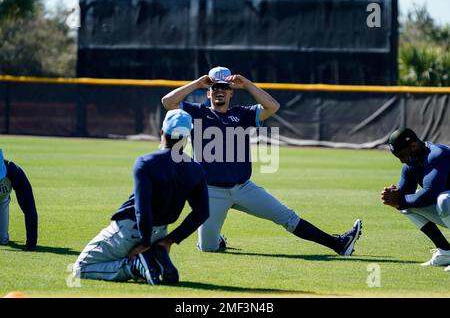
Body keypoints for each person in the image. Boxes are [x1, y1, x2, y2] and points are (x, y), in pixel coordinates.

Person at [161, 66, 362, 256]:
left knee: (288, 218)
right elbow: (168, 102)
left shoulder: (241, 114)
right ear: (209, 92)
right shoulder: (197, 112)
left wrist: (247, 84)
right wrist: (197, 83)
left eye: (225, 87)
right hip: (212, 191)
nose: (220, 91)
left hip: (243, 188)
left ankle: (339, 244)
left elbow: (272, 106)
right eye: (215, 87)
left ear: (231, 92)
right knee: (207, 248)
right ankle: (217, 239)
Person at [73, 109, 210, 285]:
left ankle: (135, 266)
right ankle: (154, 259)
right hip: (160, 235)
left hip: (130, 231)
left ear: (162, 133)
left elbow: (142, 209)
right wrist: (169, 240)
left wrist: (144, 242)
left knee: (80, 268)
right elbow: (202, 212)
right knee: (145, 249)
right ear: (187, 137)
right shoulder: (195, 168)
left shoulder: (146, 162)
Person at [381, 128, 450, 272]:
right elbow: (404, 199)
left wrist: (399, 199)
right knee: (407, 206)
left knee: (444, 199)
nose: (402, 161)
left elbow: (430, 194)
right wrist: (394, 197)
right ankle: (445, 252)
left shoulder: (437, 154)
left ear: (413, 146)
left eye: (402, 156)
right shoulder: (410, 166)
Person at [0, 149, 38, 251]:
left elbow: (29, 208)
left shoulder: (14, 172)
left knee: (2, 239)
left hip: (2, 201)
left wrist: (31, 244)